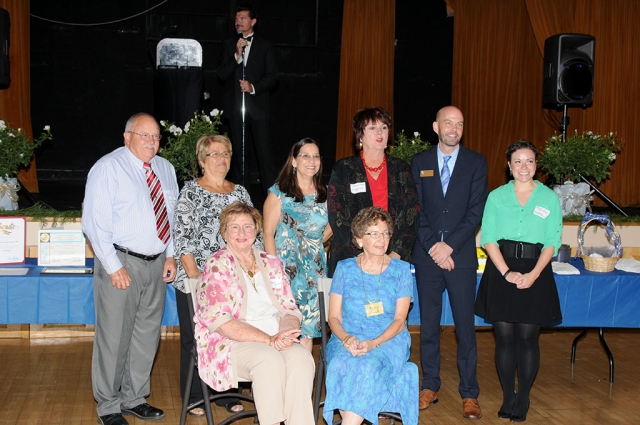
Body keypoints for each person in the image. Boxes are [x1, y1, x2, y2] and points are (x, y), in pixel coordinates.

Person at [83, 112, 179, 425]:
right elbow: (94, 224)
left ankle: (134, 398)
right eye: (144, 135)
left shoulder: (164, 168)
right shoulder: (107, 167)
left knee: (147, 335)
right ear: (127, 137)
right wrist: (112, 266)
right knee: (114, 337)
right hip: (121, 262)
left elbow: (172, 217)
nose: (152, 142)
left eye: (156, 136)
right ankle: (108, 406)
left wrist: (171, 255)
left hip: (156, 264)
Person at [195, 201, 315, 425]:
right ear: (224, 232)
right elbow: (221, 322)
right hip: (230, 341)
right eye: (234, 227)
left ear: (256, 229)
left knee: (301, 358)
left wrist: (286, 332)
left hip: (274, 336)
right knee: (268, 360)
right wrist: (269, 340)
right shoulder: (217, 265)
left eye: (248, 226)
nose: (242, 233)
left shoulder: (270, 262)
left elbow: (289, 308)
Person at [474, 140, 562, 422]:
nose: (524, 167)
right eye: (518, 161)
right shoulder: (496, 197)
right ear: (509, 166)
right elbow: (488, 237)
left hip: (536, 270)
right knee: (504, 339)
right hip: (502, 270)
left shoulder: (549, 198)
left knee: (527, 339)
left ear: (536, 166)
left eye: (530, 161)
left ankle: (523, 396)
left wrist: (534, 274)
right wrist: (506, 273)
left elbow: (552, 241)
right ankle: (507, 396)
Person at [172, 134, 260, 416]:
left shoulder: (240, 193)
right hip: (198, 279)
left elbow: (251, 235)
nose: (222, 159)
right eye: (214, 154)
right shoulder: (190, 191)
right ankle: (196, 396)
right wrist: (197, 279)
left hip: (233, 282)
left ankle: (226, 394)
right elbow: (182, 238)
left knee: (232, 336)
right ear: (201, 160)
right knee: (196, 339)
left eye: (226, 154)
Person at [410, 106, 488, 419]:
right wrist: (433, 247)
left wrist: (450, 247)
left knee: (465, 330)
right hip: (428, 258)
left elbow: (475, 212)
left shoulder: (476, 162)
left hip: (461, 258)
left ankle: (470, 393)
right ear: (436, 126)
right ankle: (430, 386)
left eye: (459, 124)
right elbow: (415, 210)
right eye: (447, 123)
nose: (453, 128)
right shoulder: (420, 162)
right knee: (428, 326)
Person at [323, 207, 418, 425]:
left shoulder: (401, 270)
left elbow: (400, 320)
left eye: (385, 233)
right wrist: (347, 339)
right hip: (347, 337)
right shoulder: (344, 268)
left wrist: (374, 343)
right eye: (373, 233)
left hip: (388, 339)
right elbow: (334, 317)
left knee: (368, 365)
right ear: (358, 239)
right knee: (340, 364)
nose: (381, 239)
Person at [327, 107, 419, 277]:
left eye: (384, 127)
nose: (380, 132)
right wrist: (363, 254)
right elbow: (336, 215)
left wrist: (394, 256)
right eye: (372, 128)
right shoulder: (344, 169)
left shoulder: (401, 169)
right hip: (352, 259)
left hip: (392, 260)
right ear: (360, 135)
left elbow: (412, 214)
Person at [263, 138, 332, 352]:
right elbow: (267, 233)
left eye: (316, 156)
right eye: (305, 155)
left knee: (308, 332)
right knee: (283, 328)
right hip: (285, 272)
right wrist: (275, 272)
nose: (312, 160)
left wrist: (314, 243)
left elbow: (333, 225)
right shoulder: (279, 193)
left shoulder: (326, 193)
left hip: (314, 272)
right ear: (293, 161)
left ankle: (301, 383)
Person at [217, 3, 278, 195]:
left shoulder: (264, 46)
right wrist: (237, 55)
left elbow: (273, 76)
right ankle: (241, 197)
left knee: (264, 155)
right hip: (236, 109)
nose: (238, 22)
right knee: (240, 157)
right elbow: (221, 74)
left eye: (242, 18)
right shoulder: (229, 45)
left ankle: (272, 199)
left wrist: (253, 87)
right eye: (236, 19)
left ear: (253, 21)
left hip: (258, 108)